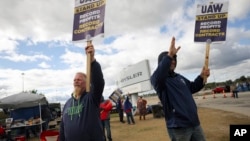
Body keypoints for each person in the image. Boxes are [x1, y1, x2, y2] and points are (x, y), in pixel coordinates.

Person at [150, 37, 210, 141]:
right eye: (170, 59)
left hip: (194, 123)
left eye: (174, 59)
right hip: (178, 127)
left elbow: (192, 87)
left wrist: (201, 77)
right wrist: (169, 55)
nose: (173, 61)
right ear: (162, 62)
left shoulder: (179, 77)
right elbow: (159, 75)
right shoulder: (159, 80)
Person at [59, 44, 105, 141]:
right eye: (75, 80)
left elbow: (98, 82)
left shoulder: (91, 98)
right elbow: (63, 127)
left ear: (86, 83)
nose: (76, 81)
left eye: (79, 80)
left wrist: (92, 60)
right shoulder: (67, 103)